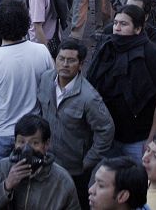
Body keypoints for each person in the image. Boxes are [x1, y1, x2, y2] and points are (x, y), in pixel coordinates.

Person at [0, 0, 54, 162]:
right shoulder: (42, 52)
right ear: (25, 23)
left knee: (3, 181)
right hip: (34, 131)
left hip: (1, 132)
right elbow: (51, 86)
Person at [87, 4, 156, 165]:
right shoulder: (107, 47)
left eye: (123, 24)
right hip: (107, 133)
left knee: (136, 183)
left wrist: (153, 136)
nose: (117, 28)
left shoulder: (153, 56)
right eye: (116, 22)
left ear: (138, 29)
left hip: (137, 137)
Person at [37, 39, 115, 209]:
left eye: (71, 60)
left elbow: (106, 130)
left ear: (80, 64)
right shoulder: (45, 79)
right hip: (48, 161)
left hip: (74, 169)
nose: (65, 64)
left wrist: (88, 161)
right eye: (61, 58)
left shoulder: (89, 98)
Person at [0, 114, 80, 210]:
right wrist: (6, 186)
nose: (26, 149)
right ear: (15, 142)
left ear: (46, 144)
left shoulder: (62, 181)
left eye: (35, 143)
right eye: (21, 142)